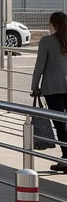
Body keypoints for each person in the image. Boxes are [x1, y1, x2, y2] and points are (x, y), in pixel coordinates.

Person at [31, 11, 67, 172]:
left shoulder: (46, 42)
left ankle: (66, 159)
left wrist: (34, 86)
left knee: (60, 124)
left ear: (53, 24)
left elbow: (40, 66)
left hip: (53, 88)